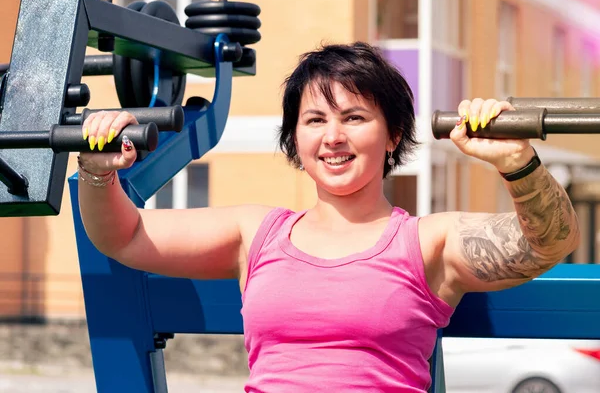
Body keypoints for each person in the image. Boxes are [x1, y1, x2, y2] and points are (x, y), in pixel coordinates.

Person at [77, 42, 580, 392]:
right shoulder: (257, 234)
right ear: (295, 139)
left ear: (393, 136)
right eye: (315, 120)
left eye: (354, 118)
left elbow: (546, 244)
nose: (333, 137)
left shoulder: (426, 242)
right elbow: (125, 235)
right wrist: (98, 172)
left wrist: (517, 162)